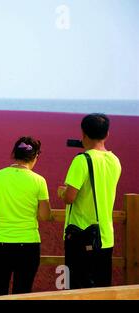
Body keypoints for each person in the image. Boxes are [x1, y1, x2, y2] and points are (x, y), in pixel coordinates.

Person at [0, 136, 51, 296]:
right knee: (23, 292)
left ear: (14, 153)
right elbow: (45, 215)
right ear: (35, 157)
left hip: (0, 243)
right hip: (28, 244)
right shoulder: (39, 181)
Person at [58, 113, 121, 289]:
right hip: (105, 237)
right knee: (101, 290)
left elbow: (70, 197)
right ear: (107, 134)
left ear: (83, 134)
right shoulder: (115, 161)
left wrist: (61, 192)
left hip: (80, 236)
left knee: (76, 290)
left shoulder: (82, 160)